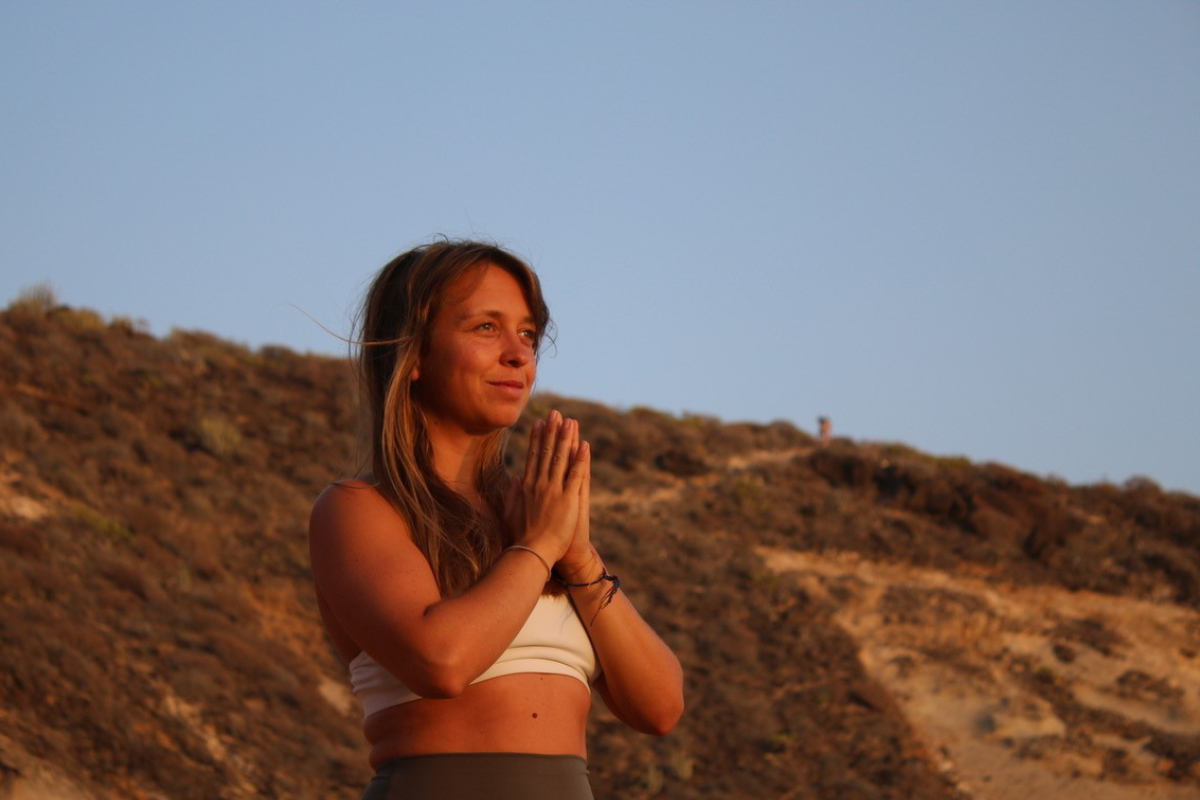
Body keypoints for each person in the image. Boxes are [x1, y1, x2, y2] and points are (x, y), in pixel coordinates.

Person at [308, 240, 684, 800]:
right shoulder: (358, 509)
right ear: (413, 355)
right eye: (486, 327)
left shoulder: (538, 518)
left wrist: (576, 555)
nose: (518, 354)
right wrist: (536, 550)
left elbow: (659, 706)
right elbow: (441, 662)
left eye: (528, 334)